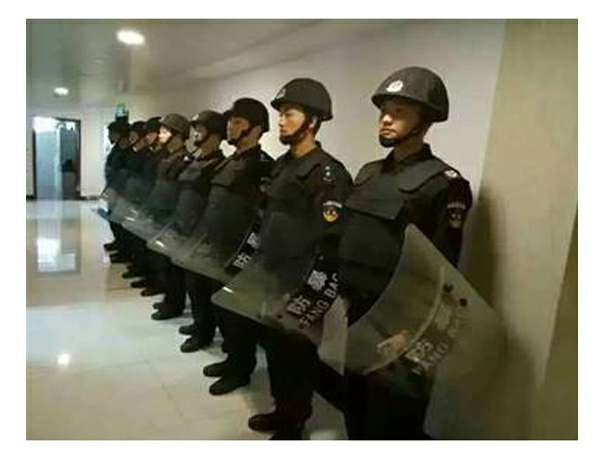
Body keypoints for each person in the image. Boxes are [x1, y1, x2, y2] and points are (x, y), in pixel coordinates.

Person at [337, 66, 473, 439]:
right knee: (356, 407)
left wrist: (410, 332)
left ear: (425, 121)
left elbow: (444, 271)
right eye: (384, 111)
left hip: (402, 324)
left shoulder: (445, 185)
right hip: (360, 312)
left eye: (398, 112)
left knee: (393, 421)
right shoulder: (368, 174)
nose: (385, 119)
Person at [241, 78, 353, 440]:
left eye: (289, 114)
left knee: (297, 357)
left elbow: (330, 241)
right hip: (271, 277)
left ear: (313, 121)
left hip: (301, 285)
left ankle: (295, 423)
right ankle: (281, 410)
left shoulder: (328, 175)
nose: (281, 121)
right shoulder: (281, 166)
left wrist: (305, 294)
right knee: (275, 352)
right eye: (280, 114)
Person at [198, 98, 274, 395]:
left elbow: (264, 217)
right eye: (230, 121)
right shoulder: (229, 161)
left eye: (238, 122)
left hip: (241, 256)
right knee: (222, 311)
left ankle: (241, 369)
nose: (230, 126)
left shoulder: (263, 166)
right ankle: (231, 359)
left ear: (257, 129)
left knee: (238, 317)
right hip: (218, 252)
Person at [152, 111, 227, 327]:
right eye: (195, 130)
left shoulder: (218, 165)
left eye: (201, 130)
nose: (196, 134)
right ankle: (197, 323)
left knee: (200, 285)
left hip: (200, 234)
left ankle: (203, 327)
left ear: (215, 134)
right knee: (189, 282)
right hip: (181, 226)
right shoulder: (194, 160)